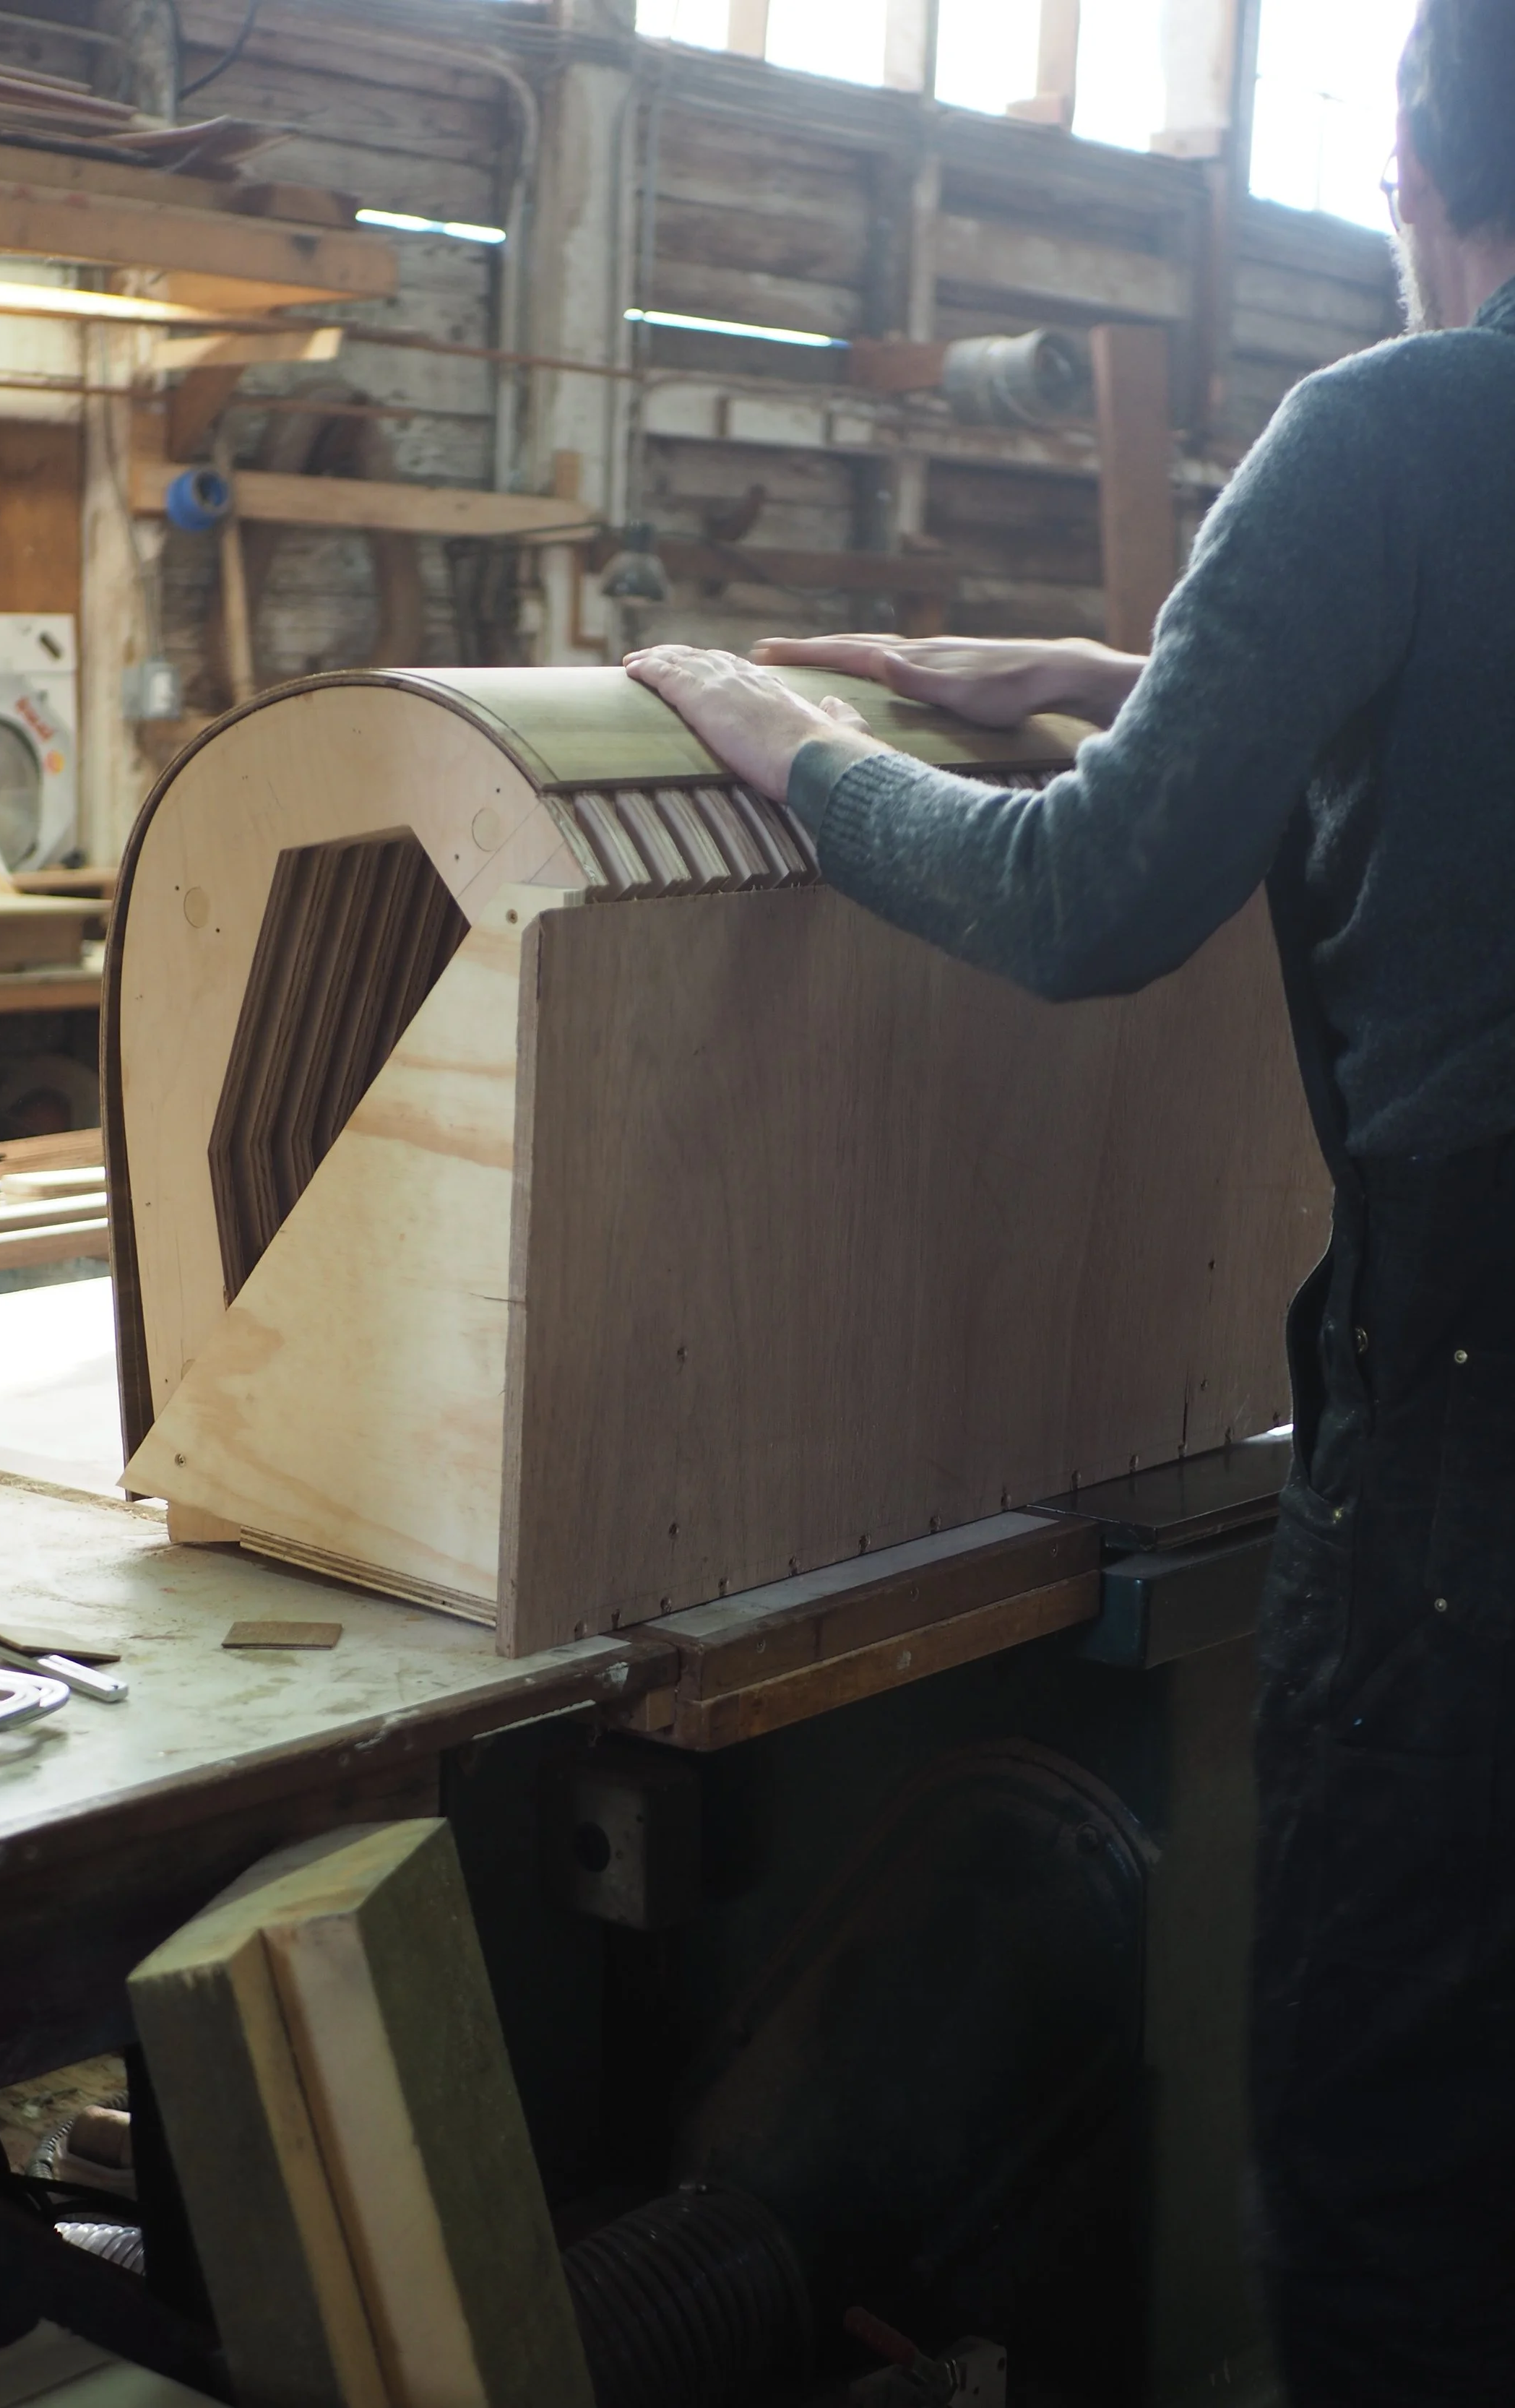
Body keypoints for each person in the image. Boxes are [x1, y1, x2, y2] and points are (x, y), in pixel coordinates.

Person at [625, 4, 1515, 2401]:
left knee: (1396, 2197)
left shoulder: (1402, 427)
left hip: (1469, 1478)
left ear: (1415, 179)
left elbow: (1085, 898)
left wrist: (798, 747)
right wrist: (1161, 672)